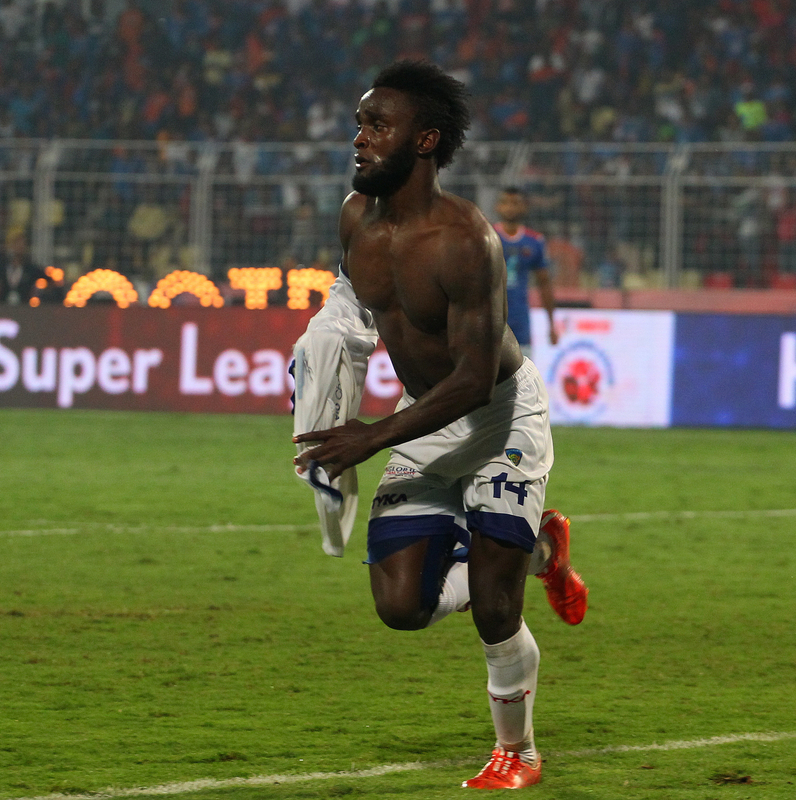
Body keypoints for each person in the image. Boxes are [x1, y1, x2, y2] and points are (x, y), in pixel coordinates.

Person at [292, 61, 586, 791]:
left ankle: (517, 753)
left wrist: (372, 435)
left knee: (493, 604)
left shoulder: (465, 240)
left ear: (423, 141)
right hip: (423, 425)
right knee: (399, 606)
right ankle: (543, 550)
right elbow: (353, 306)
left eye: (376, 126)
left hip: (498, 420)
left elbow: (473, 378)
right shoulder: (356, 216)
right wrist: (326, 362)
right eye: (360, 123)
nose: (359, 139)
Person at [493, 187, 559, 357]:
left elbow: (544, 283)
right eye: (505, 202)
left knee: (522, 378)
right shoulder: (487, 236)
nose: (510, 207)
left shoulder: (534, 241)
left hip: (520, 321)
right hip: (490, 319)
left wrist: (551, 324)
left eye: (515, 203)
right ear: (497, 207)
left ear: (524, 207)